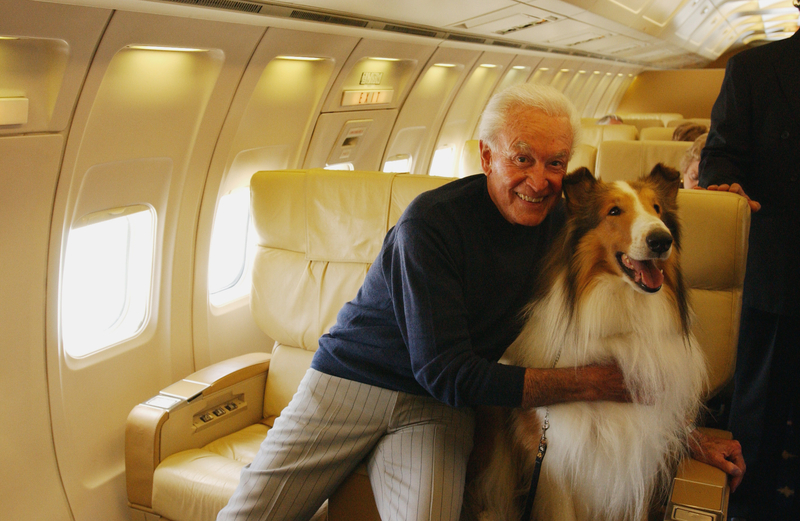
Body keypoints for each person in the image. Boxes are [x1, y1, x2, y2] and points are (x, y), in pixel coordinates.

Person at [217, 84, 743, 521]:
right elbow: (446, 370)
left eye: (555, 163)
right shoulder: (431, 224)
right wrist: (596, 382)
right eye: (523, 159)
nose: (539, 180)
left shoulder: (566, 232)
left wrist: (681, 431)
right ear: (486, 156)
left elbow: (608, 343)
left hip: (435, 412)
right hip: (349, 384)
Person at [698, 7, 799, 519]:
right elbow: (721, 153)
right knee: (760, 408)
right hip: (777, 263)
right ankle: (749, 508)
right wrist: (722, 184)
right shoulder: (755, 69)